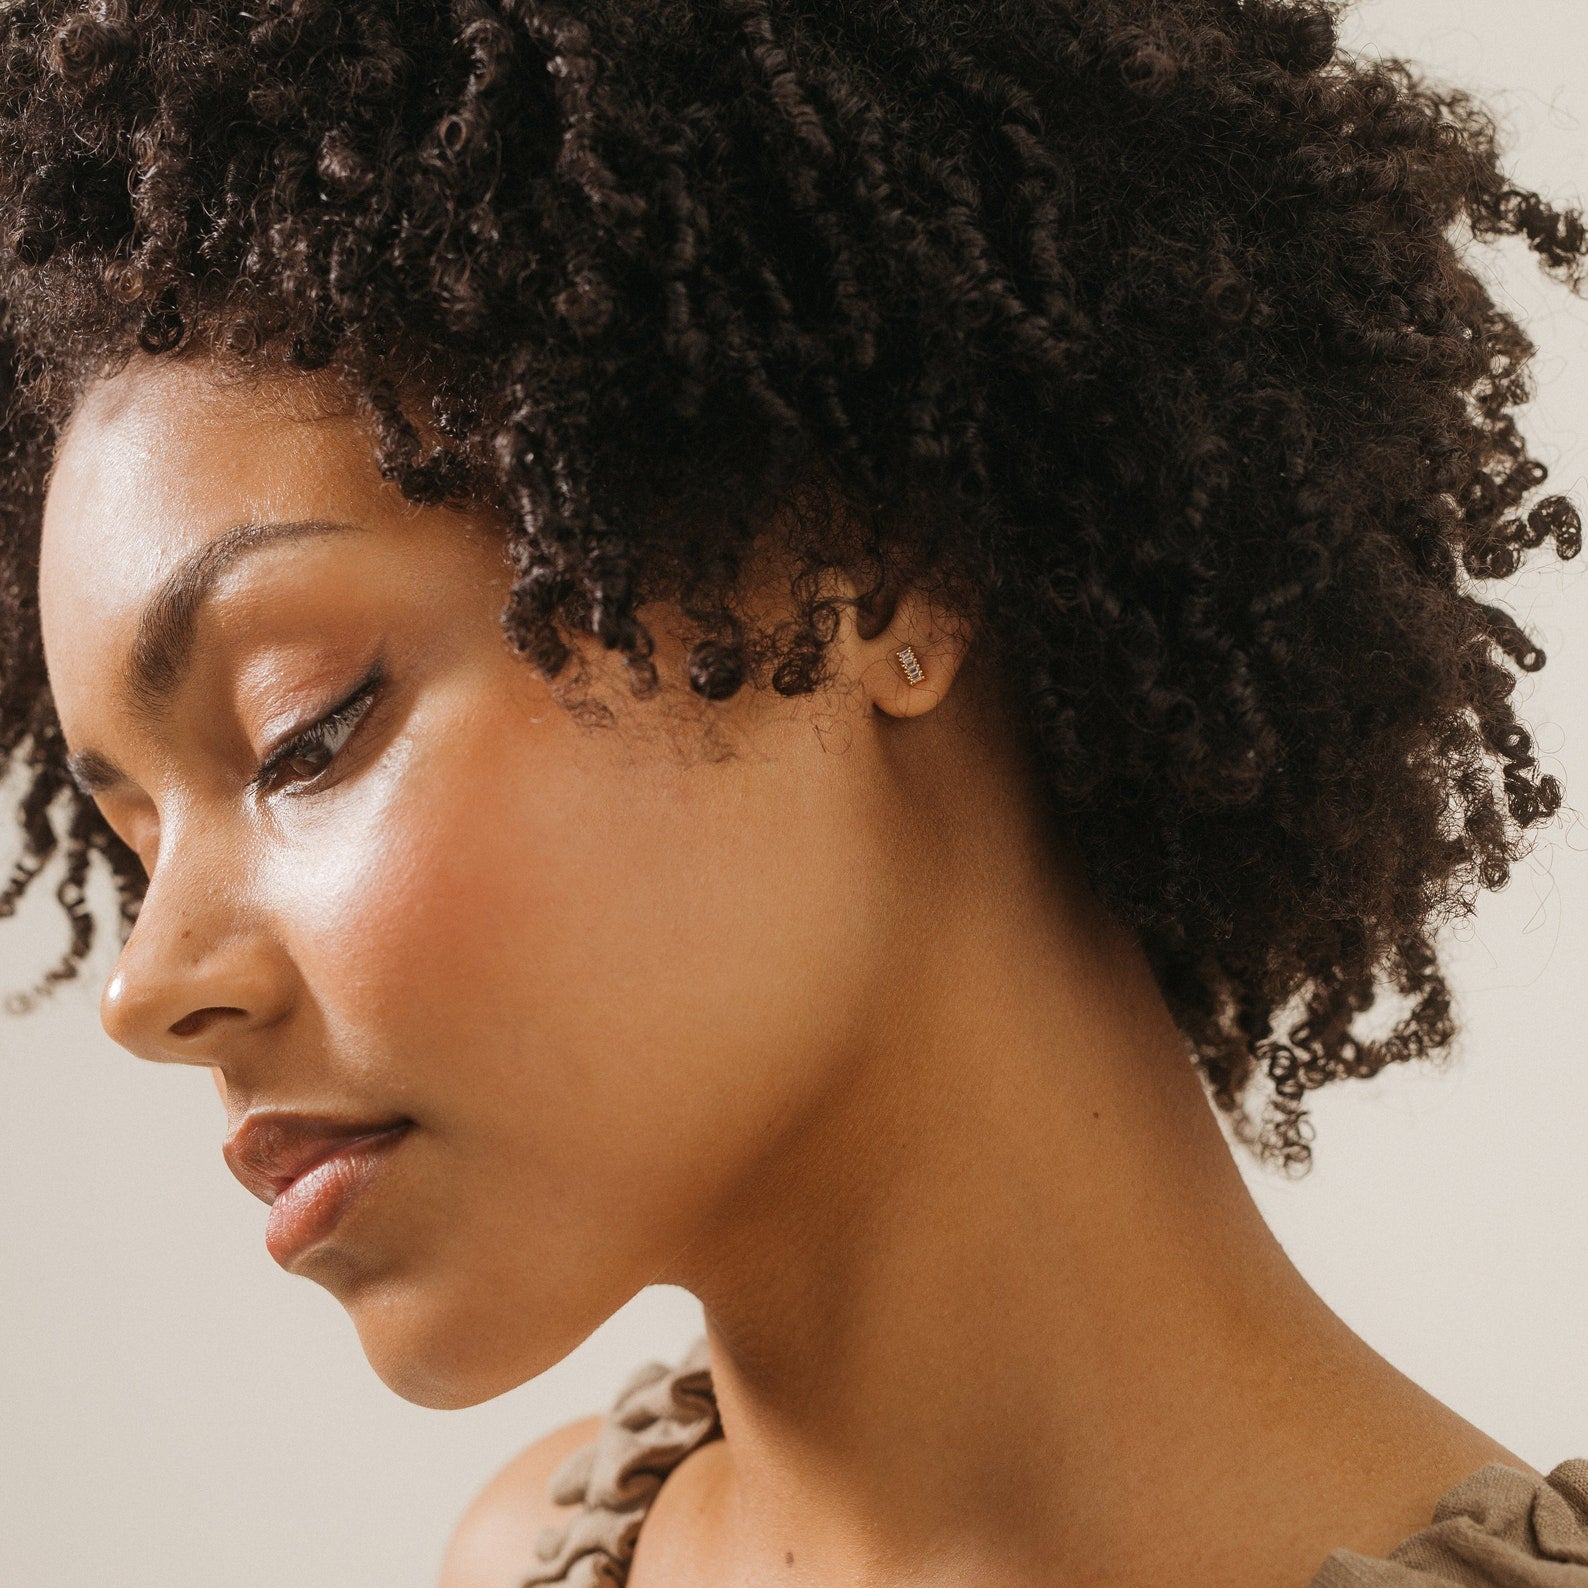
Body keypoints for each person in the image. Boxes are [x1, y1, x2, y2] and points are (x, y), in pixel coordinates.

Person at [2, 1, 1585, 1583]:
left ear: (872, 580)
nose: (146, 988)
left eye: (306, 734)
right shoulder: (532, 1556)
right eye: (134, 841)